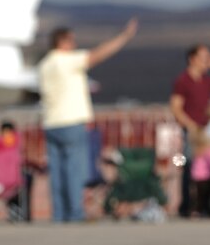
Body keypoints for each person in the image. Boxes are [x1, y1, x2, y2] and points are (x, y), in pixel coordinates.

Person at [37, 19, 138, 222]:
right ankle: (74, 214)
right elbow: (97, 55)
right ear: (62, 42)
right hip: (71, 121)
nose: (74, 45)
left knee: (57, 173)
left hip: (50, 122)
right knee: (74, 170)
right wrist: (123, 37)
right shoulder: (66, 60)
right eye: (71, 41)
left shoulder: (45, 64)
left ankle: (59, 214)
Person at [170, 44, 210, 217]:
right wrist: (191, 126)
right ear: (192, 59)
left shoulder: (207, 80)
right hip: (192, 132)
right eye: (204, 57)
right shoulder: (183, 81)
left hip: (208, 132)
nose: (207, 60)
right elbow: (176, 108)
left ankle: (208, 204)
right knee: (190, 166)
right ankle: (187, 205)